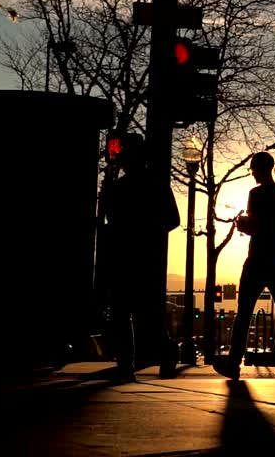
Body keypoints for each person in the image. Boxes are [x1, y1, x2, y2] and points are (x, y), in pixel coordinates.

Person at [214, 151, 275, 379]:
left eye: (254, 169)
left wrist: (244, 225)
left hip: (257, 260)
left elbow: (257, 227)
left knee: (243, 314)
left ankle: (233, 364)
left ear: (261, 169)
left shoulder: (255, 194)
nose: (252, 173)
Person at [102, 133, 179, 380]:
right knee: (141, 312)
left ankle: (129, 363)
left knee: (127, 311)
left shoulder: (122, 186)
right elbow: (173, 220)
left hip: (130, 255)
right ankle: (159, 355)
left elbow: (109, 220)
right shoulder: (155, 184)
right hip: (145, 256)